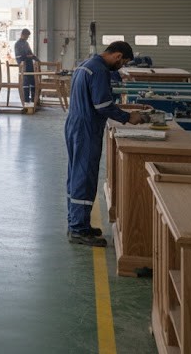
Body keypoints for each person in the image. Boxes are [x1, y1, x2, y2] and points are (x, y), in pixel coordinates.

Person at [65, 41, 144, 247]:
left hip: (75, 124)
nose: (121, 66)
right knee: (84, 176)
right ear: (118, 56)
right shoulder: (99, 70)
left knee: (76, 173)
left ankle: (76, 222)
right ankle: (79, 229)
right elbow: (103, 105)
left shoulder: (86, 65)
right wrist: (128, 117)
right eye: (123, 62)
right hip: (87, 128)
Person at [14, 28, 38, 104]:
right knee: (26, 83)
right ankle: (26, 101)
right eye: (26, 36)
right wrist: (28, 56)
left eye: (28, 36)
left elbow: (30, 53)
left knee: (33, 82)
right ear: (22, 35)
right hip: (24, 66)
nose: (27, 38)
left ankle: (34, 100)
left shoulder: (26, 43)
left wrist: (36, 59)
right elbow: (19, 57)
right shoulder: (17, 44)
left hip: (29, 64)